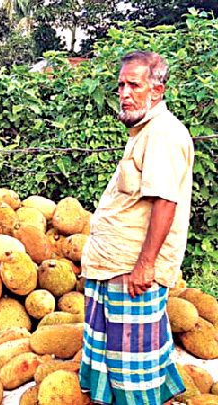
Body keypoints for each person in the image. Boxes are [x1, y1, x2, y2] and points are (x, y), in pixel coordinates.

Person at [80, 51, 194, 405]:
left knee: (134, 371)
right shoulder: (143, 132)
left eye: (134, 85)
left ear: (157, 91)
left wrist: (146, 264)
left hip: (132, 271)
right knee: (116, 360)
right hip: (113, 266)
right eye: (120, 85)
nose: (125, 93)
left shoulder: (163, 134)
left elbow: (165, 202)